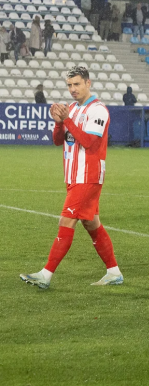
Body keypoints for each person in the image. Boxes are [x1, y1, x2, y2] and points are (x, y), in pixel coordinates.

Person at [20, 66, 122, 290]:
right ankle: (114, 272)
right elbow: (59, 141)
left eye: (77, 84)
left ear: (88, 83)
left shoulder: (98, 110)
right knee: (91, 222)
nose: (73, 89)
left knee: (66, 220)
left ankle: (45, 275)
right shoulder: (72, 109)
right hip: (73, 175)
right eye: (69, 85)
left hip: (88, 175)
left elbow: (90, 142)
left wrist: (67, 120)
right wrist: (59, 122)